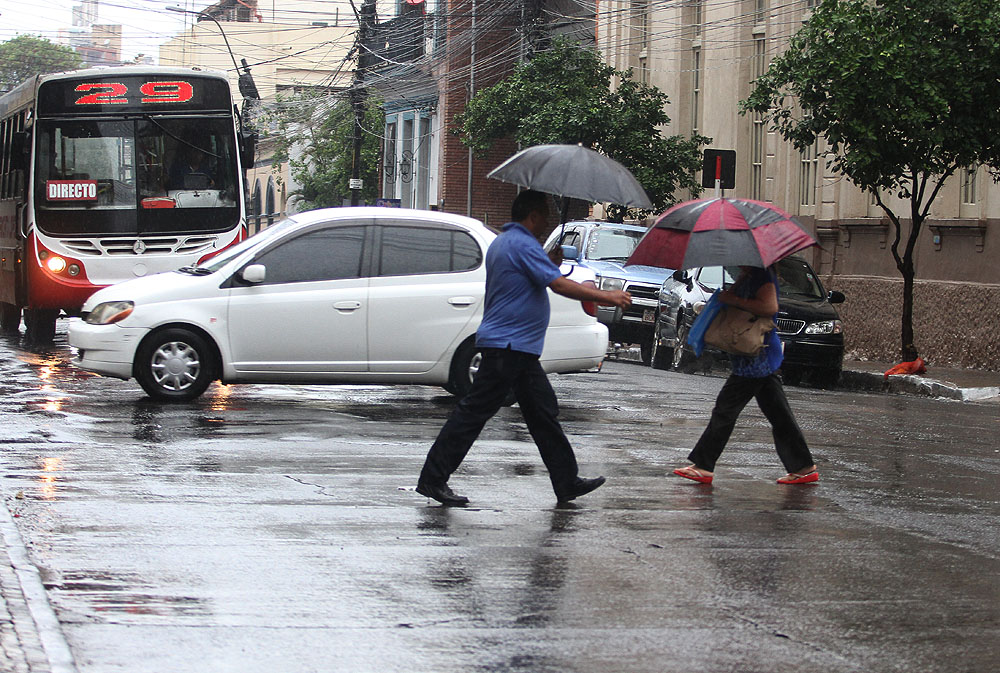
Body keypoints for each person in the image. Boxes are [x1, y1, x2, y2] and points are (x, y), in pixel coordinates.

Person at [416, 190, 633, 506]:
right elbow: (557, 284)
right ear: (532, 215)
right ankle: (433, 479)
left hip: (515, 346)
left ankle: (566, 480)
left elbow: (526, 278)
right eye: (544, 215)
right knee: (474, 413)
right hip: (508, 346)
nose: (546, 221)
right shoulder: (522, 244)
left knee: (542, 412)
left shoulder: (506, 242)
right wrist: (608, 297)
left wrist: (548, 262)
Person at [673, 265, 818, 485]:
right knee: (779, 415)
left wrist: (733, 299)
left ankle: (704, 465)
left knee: (725, 410)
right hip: (754, 357)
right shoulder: (750, 275)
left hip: (756, 358)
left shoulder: (762, 275)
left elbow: (769, 307)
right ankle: (803, 467)